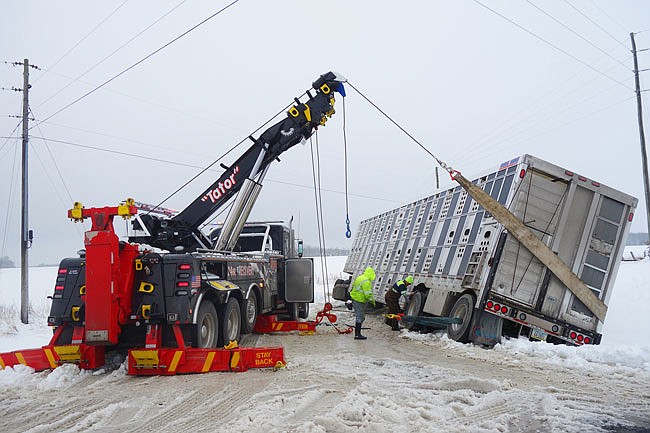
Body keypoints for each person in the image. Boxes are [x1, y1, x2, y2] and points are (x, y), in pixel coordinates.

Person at [349, 266, 376, 340]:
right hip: (359, 300)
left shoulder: (360, 277)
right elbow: (368, 294)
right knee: (360, 317)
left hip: (355, 298)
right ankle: (357, 335)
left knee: (360, 317)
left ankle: (358, 333)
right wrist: (372, 301)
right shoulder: (366, 281)